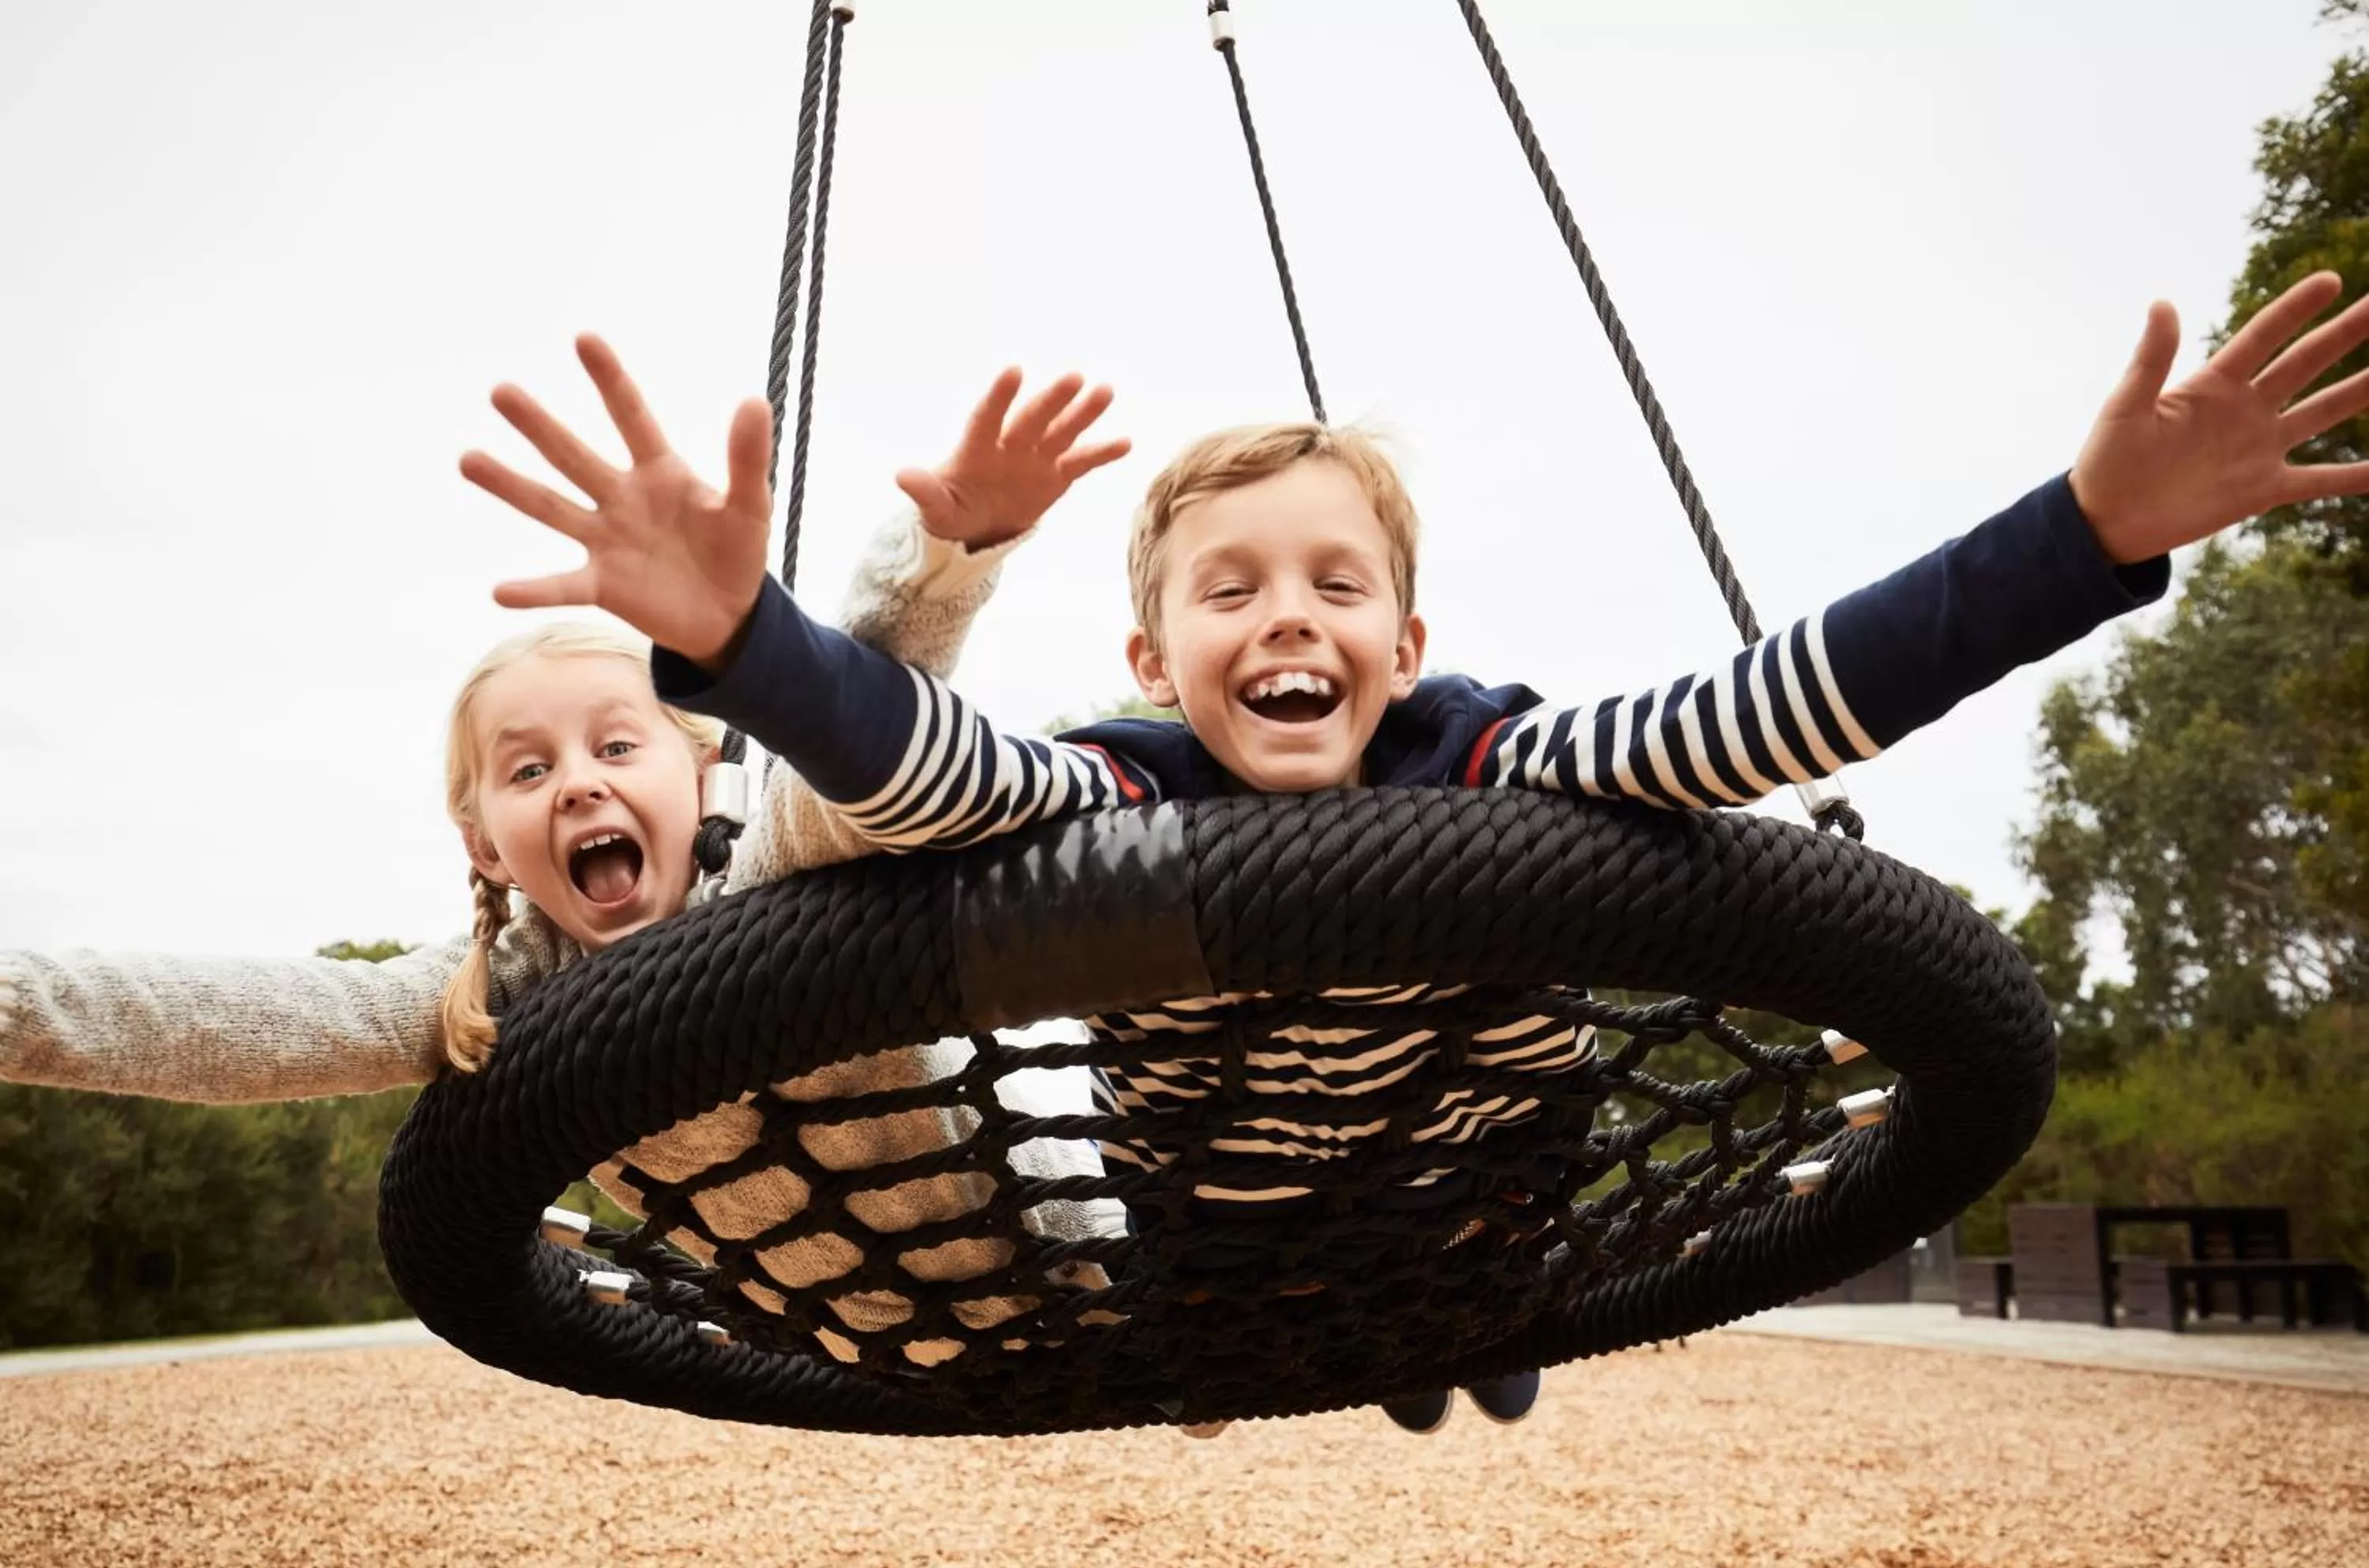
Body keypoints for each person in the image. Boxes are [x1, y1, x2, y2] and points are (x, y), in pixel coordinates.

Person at [478, 273, 2369, 1433]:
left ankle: (1457, 1322)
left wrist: (2083, 537)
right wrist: (742, 647)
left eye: (1334, 585)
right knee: (1216, 1367)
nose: (1284, 620)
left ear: (1399, 637)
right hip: (1221, 1219)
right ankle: (1320, 1340)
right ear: (1155, 658)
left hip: (1479, 1189)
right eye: (1230, 591)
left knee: (1462, 1330)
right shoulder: (1120, 795)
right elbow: (924, 773)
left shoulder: (1495, 758)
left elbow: (1775, 707)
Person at [0, 336, 1136, 1367]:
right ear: (485, 844)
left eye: (615, 744)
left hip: (1060, 1246)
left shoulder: (777, 856)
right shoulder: (506, 992)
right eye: (530, 770)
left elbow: (869, 739)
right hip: (860, 1323)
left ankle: (1172, 1310)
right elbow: (245, 1024)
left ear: (700, 774)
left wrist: (942, 559)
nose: (580, 779)